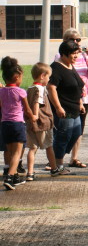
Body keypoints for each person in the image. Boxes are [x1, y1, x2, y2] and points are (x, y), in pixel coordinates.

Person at [53, 28, 88, 169]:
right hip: (65, 102)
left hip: (80, 100)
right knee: (63, 133)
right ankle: (56, 161)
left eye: (78, 40)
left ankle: (71, 157)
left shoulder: (78, 59)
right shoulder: (59, 63)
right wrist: (58, 107)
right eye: (73, 40)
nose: (76, 42)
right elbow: (52, 86)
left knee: (77, 131)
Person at [48, 40, 85, 176]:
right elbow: (51, 88)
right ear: (64, 54)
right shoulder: (57, 68)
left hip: (75, 109)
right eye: (73, 54)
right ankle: (57, 165)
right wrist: (58, 107)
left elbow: (77, 86)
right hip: (64, 110)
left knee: (75, 134)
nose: (76, 56)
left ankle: (56, 158)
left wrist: (80, 103)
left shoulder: (70, 66)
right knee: (63, 137)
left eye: (77, 53)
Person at [1, 57, 36, 190]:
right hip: (17, 124)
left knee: (10, 151)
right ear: (16, 77)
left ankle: (14, 176)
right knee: (17, 153)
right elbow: (27, 109)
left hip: (5, 124)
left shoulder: (1, 91)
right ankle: (9, 177)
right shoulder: (20, 91)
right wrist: (33, 117)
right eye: (21, 76)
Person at [25, 63, 59, 181]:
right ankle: (54, 168)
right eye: (48, 77)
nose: (49, 79)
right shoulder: (39, 89)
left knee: (32, 148)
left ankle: (30, 172)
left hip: (30, 124)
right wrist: (35, 115)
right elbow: (36, 103)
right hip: (42, 123)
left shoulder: (29, 88)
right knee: (49, 146)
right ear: (43, 76)